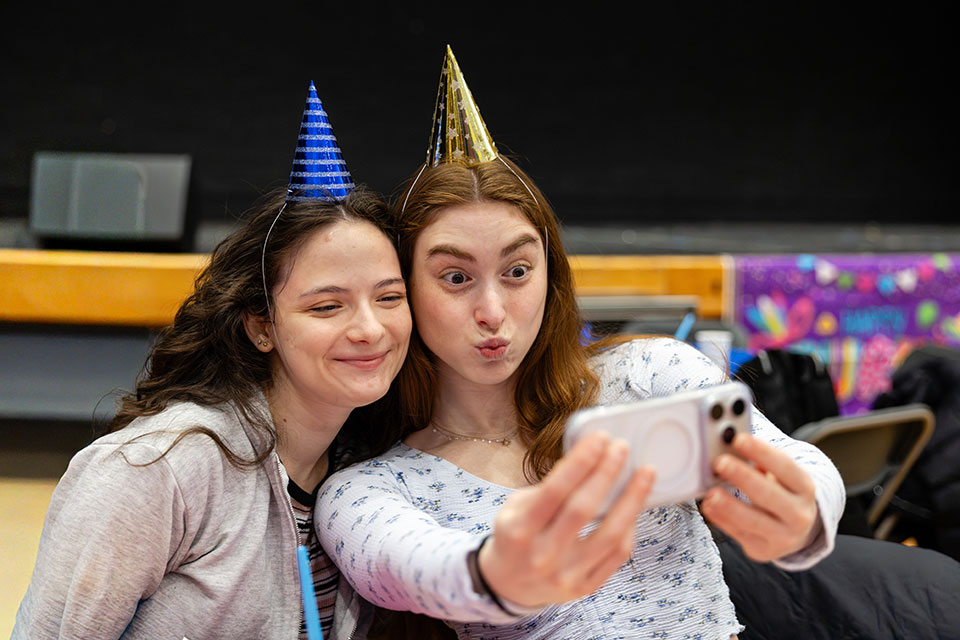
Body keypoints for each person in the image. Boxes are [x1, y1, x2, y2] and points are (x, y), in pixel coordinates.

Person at [316, 47, 845, 639]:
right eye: (456, 278)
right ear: (405, 290)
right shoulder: (371, 488)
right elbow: (415, 566)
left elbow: (796, 462)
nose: (493, 313)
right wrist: (498, 573)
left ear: (550, 273)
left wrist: (805, 518)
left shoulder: (644, 374)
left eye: (517, 271)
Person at [13, 82, 410, 640]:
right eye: (327, 306)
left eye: (389, 297)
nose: (370, 328)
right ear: (262, 327)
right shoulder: (155, 473)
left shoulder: (368, 466)